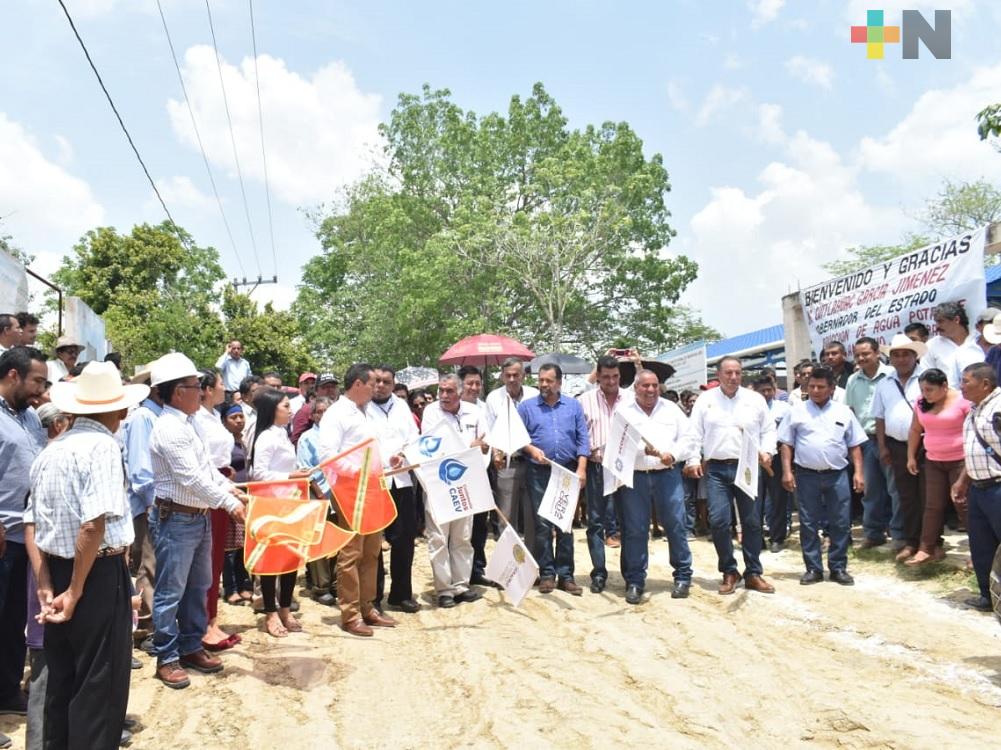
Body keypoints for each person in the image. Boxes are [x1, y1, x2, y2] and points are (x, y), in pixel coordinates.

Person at [24, 361, 147, 750]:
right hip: (94, 574)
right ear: (119, 409)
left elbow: (31, 524)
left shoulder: (51, 450)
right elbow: (92, 526)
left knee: (62, 681)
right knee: (98, 686)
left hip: (60, 570)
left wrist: (46, 583)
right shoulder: (102, 447)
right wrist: (76, 590)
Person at [148, 353, 247, 689]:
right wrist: (228, 502)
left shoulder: (189, 425)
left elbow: (205, 470)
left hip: (197, 516)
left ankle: (191, 646)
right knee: (170, 591)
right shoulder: (168, 428)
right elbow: (190, 477)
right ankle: (167, 656)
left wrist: (229, 488)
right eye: (195, 386)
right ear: (179, 392)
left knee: (199, 585)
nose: (201, 391)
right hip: (176, 518)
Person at [684, 356, 777, 595]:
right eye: (728, 373)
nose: (733, 377)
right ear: (718, 375)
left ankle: (753, 572)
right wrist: (693, 459)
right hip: (716, 469)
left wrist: (767, 451)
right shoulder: (705, 400)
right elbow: (694, 433)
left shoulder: (754, 399)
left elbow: (768, 430)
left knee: (752, 521)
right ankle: (729, 570)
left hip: (748, 466)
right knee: (719, 521)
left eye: (737, 372)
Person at [317, 363, 397, 636]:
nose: (377, 388)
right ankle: (350, 614)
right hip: (350, 491)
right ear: (358, 384)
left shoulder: (368, 412)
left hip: (373, 488)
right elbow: (327, 457)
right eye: (373, 383)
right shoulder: (336, 413)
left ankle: (368, 607)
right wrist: (357, 472)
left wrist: (388, 461)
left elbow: (370, 451)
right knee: (351, 553)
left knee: (372, 551)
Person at [778, 365, 866, 586]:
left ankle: (838, 567)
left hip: (837, 475)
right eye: (812, 386)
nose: (815, 391)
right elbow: (786, 444)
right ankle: (813, 568)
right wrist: (787, 472)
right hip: (806, 475)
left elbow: (854, 445)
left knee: (841, 522)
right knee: (808, 522)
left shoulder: (843, 412)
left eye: (820, 387)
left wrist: (859, 473)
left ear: (832, 388)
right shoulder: (796, 411)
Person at [616, 370, 693, 603]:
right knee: (636, 529)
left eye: (654, 385)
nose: (650, 390)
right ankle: (635, 581)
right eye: (645, 386)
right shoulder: (623, 412)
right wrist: (641, 451)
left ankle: (682, 576)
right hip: (635, 477)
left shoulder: (672, 410)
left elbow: (688, 438)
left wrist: (674, 454)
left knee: (676, 525)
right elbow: (617, 445)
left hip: (667, 476)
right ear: (636, 388)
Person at [0, 346, 47, 718]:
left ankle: (7, 692)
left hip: (25, 537)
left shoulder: (30, 418)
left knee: (14, 621)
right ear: (13, 375)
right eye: (37, 381)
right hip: (1, 536)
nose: (41, 391)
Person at [519, 363, 589, 596]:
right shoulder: (527, 407)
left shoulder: (573, 406)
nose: (544, 385)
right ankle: (547, 574)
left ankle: (566, 576)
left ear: (559, 382)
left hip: (567, 471)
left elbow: (583, 439)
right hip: (538, 472)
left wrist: (581, 469)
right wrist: (531, 449)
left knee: (565, 523)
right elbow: (518, 437)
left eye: (549, 381)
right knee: (542, 525)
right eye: (541, 380)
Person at [248, 387, 311, 637]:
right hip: (271, 507)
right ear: (272, 409)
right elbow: (258, 474)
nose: (290, 409)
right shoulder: (266, 437)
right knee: (271, 561)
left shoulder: (283, 434)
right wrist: (290, 476)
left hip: (289, 504)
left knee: (290, 559)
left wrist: (297, 475)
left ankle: (285, 608)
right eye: (285, 405)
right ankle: (270, 612)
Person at [421, 373, 487, 607]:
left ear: (460, 392)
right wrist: (468, 447)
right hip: (438, 483)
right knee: (439, 538)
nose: (444, 395)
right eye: (441, 390)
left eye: (449, 391)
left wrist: (481, 448)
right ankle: (444, 590)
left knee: (463, 537)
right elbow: (434, 447)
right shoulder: (431, 412)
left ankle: (461, 585)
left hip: (466, 483)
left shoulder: (475, 412)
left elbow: (485, 443)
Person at [577, 354, 633, 593]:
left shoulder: (631, 399)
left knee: (628, 522)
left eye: (615, 377)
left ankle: (630, 574)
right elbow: (580, 435)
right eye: (606, 377)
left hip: (624, 467)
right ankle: (599, 573)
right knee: (595, 522)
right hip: (596, 467)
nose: (611, 381)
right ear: (598, 376)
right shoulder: (584, 401)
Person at [368, 366, 421, 613]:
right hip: (374, 482)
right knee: (374, 543)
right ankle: (373, 597)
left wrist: (403, 454)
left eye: (386, 382)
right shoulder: (361, 408)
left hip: (401, 480)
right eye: (377, 381)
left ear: (393, 384)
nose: (380, 386)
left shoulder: (401, 407)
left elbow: (414, 437)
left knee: (404, 539)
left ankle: (401, 594)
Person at [905, 368, 970, 565]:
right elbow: (915, 429)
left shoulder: (963, 401)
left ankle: (978, 551)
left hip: (960, 461)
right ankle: (927, 548)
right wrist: (910, 456)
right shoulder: (920, 402)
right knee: (932, 505)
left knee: (963, 505)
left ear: (944, 386)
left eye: (930, 390)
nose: (925, 394)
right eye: (922, 390)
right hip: (933, 460)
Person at [192, 369, 238, 650]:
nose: (225, 388)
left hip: (221, 482)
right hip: (209, 491)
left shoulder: (212, 416)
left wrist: (226, 473)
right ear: (208, 389)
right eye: (221, 384)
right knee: (207, 559)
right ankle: (203, 621)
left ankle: (211, 617)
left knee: (217, 556)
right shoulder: (196, 419)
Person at [871, 334, 926, 562]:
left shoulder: (926, 377)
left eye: (906, 354)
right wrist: (883, 447)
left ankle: (931, 543)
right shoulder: (884, 383)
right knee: (906, 496)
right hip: (896, 446)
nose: (901, 359)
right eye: (896, 355)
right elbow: (880, 418)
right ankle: (910, 541)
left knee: (928, 495)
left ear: (915, 356)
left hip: (925, 444)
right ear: (890, 358)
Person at [952, 362, 1001, 612]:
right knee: (981, 546)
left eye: (966, 381)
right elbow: (975, 450)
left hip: (998, 487)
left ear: (985, 384)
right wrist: (963, 481)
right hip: (979, 488)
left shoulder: (998, 407)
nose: (961, 386)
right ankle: (987, 596)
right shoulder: (974, 409)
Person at [846, 337, 902, 550]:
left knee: (895, 489)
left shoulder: (891, 375)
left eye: (866, 354)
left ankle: (899, 534)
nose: (861, 358)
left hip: (890, 439)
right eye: (857, 355)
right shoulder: (853, 380)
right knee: (871, 490)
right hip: (865, 441)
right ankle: (873, 533)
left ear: (877, 353)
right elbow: (850, 412)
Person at [122, 366, 164, 643]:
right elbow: (140, 469)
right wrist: (152, 504)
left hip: (158, 503)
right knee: (148, 565)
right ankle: (147, 627)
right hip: (147, 506)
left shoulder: (157, 416)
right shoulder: (142, 418)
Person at [485, 357, 539, 545]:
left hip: (533, 463)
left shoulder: (534, 395)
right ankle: (508, 558)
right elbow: (490, 431)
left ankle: (532, 558)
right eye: (508, 375)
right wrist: (495, 455)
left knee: (533, 516)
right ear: (502, 376)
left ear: (523, 376)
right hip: (507, 463)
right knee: (506, 517)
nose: (512, 379)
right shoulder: (493, 398)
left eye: (516, 375)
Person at [295, 396, 336, 606]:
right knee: (318, 540)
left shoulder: (338, 434)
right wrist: (319, 493)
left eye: (327, 410)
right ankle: (321, 587)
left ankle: (336, 580)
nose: (323, 415)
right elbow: (305, 470)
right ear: (312, 416)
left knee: (337, 538)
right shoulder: (307, 438)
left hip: (339, 493)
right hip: (317, 492)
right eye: (319, 411)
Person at [218, 400, 252, 606]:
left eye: (241, 416)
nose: (239, 420)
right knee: (229, 546)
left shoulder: (245, 440)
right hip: (230, 496)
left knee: (244, 544)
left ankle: (244, 584)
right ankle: (230, 588)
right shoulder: (224, 443)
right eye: (233, 417)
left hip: (247, 495)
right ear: (224, 421)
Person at [752, 375, 791, 552]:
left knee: (778, 499)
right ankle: (756, 537)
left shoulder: (784, 408)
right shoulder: (748, 408)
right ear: (756, 392)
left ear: (774, 391)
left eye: (769, 390)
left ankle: (777, 537)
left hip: (776, 458)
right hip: (753, 458)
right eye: (762, 391)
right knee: (754, 500)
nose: (766, 393)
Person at [922, 301, 984, 387]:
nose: (937, 327)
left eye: (940, 321)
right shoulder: (931, 345)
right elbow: (926, 378)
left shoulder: (979, 340)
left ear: (956, 320)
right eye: (936, 322)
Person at [291, 373, 338, 446]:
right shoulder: (306, 410)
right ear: (316, 390)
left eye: (333, 387)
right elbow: (297, 441)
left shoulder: (341, 408)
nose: (330, 390)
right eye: (325, 387)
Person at [238, 374, 264, 447]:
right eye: (256, 391)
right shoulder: (239, 414)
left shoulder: (266, 411)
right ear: (245, 397)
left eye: (263, 390)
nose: (262, 394)